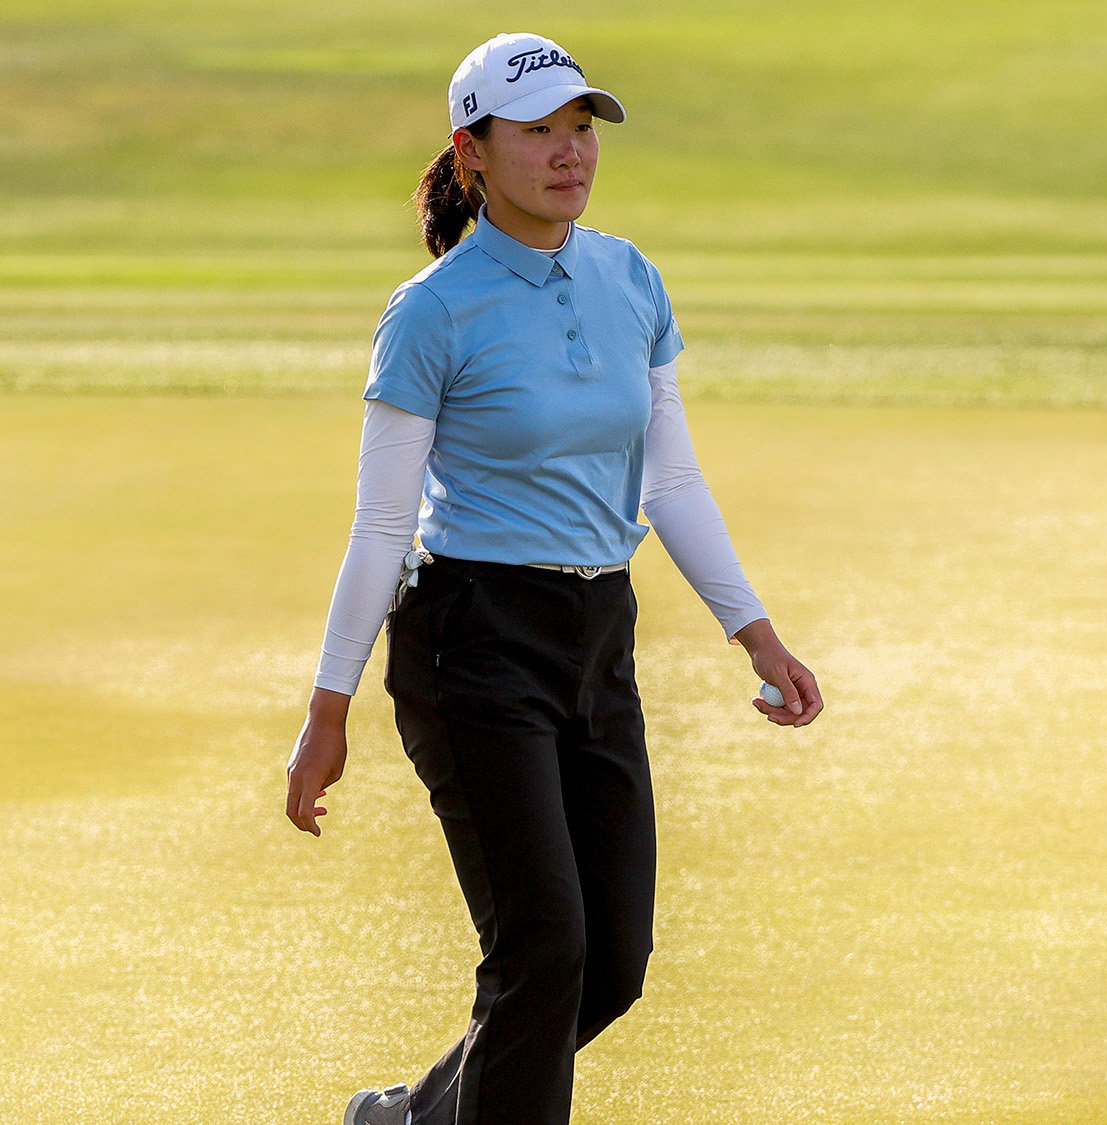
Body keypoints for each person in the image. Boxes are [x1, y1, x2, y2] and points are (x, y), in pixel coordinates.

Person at [284, 31, 824, 1125]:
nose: (568, 151)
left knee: (609, 959)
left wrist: (753, 632)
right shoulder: (431, 312)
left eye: (579, 127)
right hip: (471, 637)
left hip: (594, 633)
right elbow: (382, 523)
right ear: (472, 151)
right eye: (537, 132)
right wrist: (326, 710)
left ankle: (410, 1120)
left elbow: (667, 482)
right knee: (542, 945)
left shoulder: (629, 277)